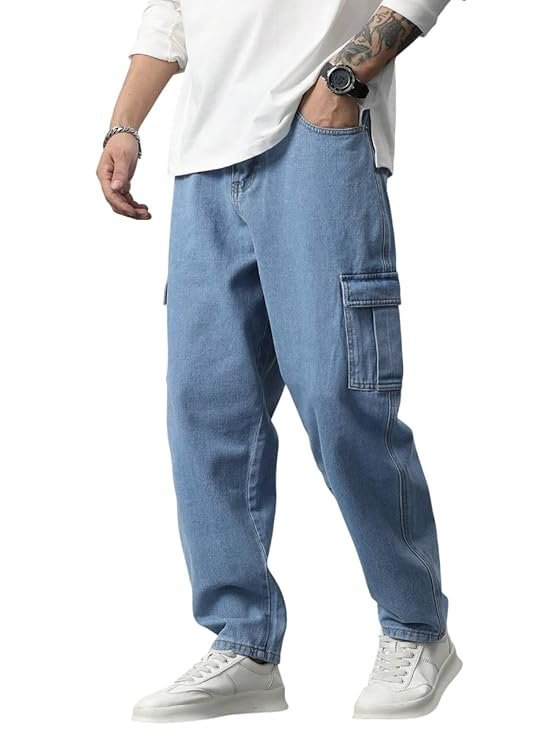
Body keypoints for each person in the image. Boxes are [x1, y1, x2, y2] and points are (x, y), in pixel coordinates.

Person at [97, 0, 464, 722]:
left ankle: (417, 626)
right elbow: (171, 14)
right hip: (203, 159)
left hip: (317, 138)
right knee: (206, 413)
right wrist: (124, 125)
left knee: (340, 395)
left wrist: (343, 80)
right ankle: (244, 642)